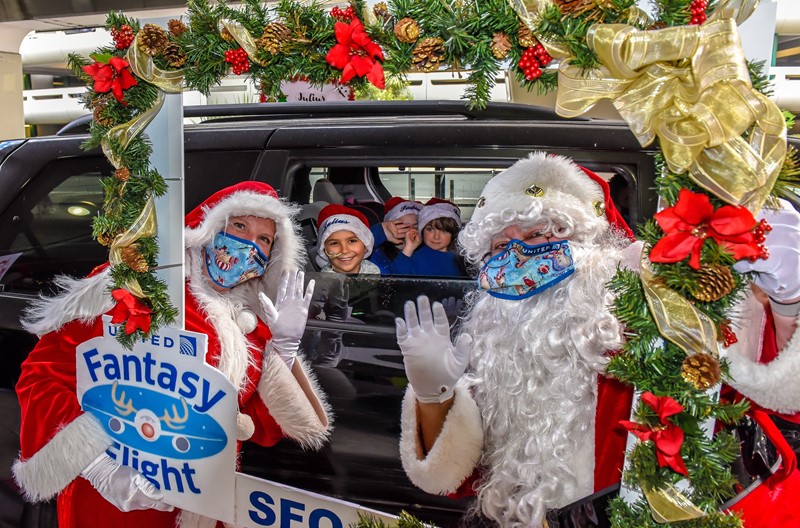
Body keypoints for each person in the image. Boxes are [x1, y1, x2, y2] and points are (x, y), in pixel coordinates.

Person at [394, 152, 800, 527]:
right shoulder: (495, 342)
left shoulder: (651, 314)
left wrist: (788, 303)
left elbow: (769, 388)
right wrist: (435, 396)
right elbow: (459, 479)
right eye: (500, 245)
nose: (517, 257)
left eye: (536, 235)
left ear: (590, 245)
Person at [13, 181, 332, 528]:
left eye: (264, 239)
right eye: (240, 226)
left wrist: (282, 351)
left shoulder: (253, 320)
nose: (248, 245)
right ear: (210, 226)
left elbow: (258, 424)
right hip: (116, 500)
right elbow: (42, 376)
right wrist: (98, 465)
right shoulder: (138, 285)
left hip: (200, 502)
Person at [391, 198, 466, 277]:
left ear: (453, 233)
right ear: (421, 230)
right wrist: (408, 248)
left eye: (444, 231)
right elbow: (395, 277)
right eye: (430, 229)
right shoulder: (415, 257)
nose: (436, 237)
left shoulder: (460, 260)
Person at [316, 204, 380, 275]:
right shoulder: (323, 283)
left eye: (352, 241)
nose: (344, 250)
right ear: (324, 250)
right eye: (334, 243)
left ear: (366, 245)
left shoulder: (373, 271)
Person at [369, 197, 422, 274]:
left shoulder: (425, 251)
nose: (411, 230)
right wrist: (380, 231)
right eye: (404, 226)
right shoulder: (378, 253)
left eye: (416, 226)